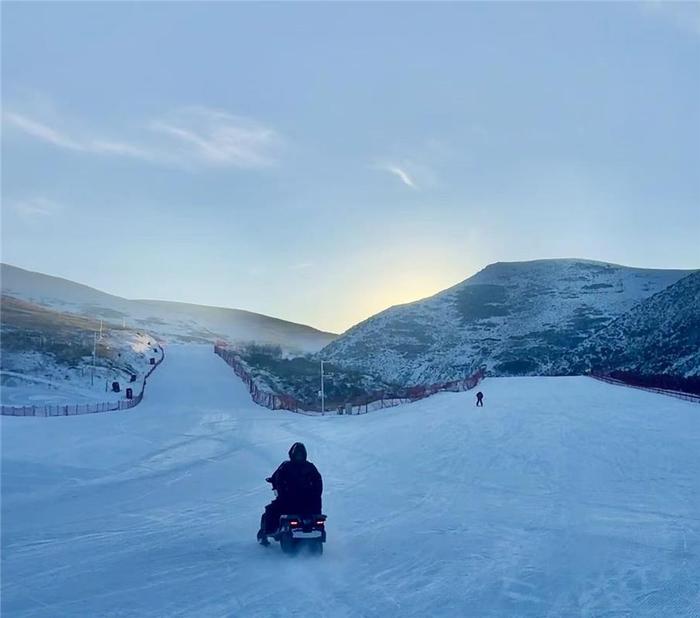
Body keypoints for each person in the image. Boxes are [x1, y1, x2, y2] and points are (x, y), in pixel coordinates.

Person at [257, 442, 323, 544]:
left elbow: (318, 483)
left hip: (291, 502)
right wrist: (315, 495)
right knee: (271, 510)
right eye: (298, 455)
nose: (299, 457)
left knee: (270, 510)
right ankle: (268, 532)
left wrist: (314, 495)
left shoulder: (288, 466)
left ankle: (267, 532)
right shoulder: (308, 467)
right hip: (307, 503)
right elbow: (318, 482)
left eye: (300, 455)